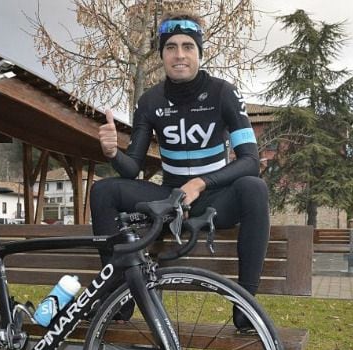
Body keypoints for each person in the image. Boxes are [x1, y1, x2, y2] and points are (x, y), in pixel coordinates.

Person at [90, 10, 270, 331]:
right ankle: (119, 296)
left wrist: (201, 183)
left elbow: (250, 161)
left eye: (188, 46)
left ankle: (246, 304)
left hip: (214, 199)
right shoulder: (149, 101)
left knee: (254, 188)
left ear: (200, 52)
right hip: (168, 198)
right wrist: (113, 153)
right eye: (171, 47)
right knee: (104, 190)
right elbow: (131, 168)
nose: (180, 54)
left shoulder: (223, 93)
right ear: (162, 54)